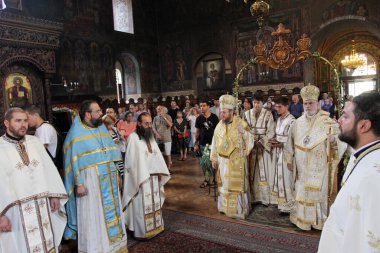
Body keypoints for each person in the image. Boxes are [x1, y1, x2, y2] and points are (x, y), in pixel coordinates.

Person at [318, 91, 380, 253]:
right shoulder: (364, 155)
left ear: (364, 126)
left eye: (345, 116)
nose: (338, 120)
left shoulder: (371, 178)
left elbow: (370, 240)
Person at [63, 100, 128, 252]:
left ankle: (115, 246)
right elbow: (72, 162)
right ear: (87, 114)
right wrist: (78, 184)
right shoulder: (75, 134)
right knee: (94, 215)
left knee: (113, 212)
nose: (101, 113)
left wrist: (117, 173)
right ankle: (96, 248)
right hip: (90, 183)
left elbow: (111, 154)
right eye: (98, 111)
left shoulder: (101, 129)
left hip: (109, 181)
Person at [0, 107, 68, 252]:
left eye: (25, 120)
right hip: (15, 212)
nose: (23, 124)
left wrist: (55, 194)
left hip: (42, 206)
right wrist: (1, 215)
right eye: (18, 121)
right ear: (7, 123)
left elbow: (49, 170)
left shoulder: (35, 142)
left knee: (47, 242)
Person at [284, 84, 346, 231]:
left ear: (317, 103)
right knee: (302, 190)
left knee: (318, 191)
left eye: (311, 103)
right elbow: (289, 143)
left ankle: (318, 221)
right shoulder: (297, 123)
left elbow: (340, 142)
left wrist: (333, 141)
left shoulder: (328, 122)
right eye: (305, 103)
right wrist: (289, 159)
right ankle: (302, 220)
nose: (307, 106)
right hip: (301, 165)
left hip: (319, 165)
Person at [122, 112, 170, 239]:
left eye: (150, 123)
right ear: (139, 123)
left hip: (154, 178)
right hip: (141, 179)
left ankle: (157, 227)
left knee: (155, 203)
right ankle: (142, 232)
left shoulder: (150, 137)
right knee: (141, 206)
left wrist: (160, 171)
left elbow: (157, 156)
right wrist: (139, 175)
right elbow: (131, 161)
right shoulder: (133, 138)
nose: (149, 126)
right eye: (146, 123)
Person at [210, 95, 254, 219]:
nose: (221, 114)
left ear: (231, 112)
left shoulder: (241, 123)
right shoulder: (219, 125)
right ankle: (224, 208)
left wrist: (244, 132)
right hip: (223, 162)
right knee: (224, 185)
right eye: (221, 112)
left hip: (236, 162)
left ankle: (239, 210)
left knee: (236, 186)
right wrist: (214, 158)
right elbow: (215, 142)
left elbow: (251, 141)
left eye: (224, 112)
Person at [245, 93, 276, 205]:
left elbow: (271, 131)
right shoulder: (247, 114)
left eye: (258, 102)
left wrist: (262, 142)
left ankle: (263, 198)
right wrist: (251, 141)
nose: (256, 105)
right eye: (254, 102)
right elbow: (245, 130)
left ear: (262, 103)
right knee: (251, 173)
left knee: (263, 173)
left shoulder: (268, 114)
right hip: (251, 147)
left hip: (263, 148)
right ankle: (252, 197)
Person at [271, 97, 295, 213]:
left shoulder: (292, 121)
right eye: (276, 107)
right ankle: (281, 204)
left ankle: (289, 205)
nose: (277, 109)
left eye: (280, 107)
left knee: (287, 179)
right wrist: (273, 141)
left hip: (287, 154)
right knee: (279, 178)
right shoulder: (279, 119)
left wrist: (281, 144)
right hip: (278, 152)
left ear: (287, 106)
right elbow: (278, 135)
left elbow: (293, 141)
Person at [194, 100, 219, 188]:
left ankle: (215, 180)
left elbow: (218, 131)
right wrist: (196, 144)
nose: (202, 107)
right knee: (205, 163)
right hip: (203, 144)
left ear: (208, 106)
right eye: (201, 106)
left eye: (204, 106)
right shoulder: (199, 118)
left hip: (214, 144)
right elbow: (197, 132)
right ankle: (207, 179)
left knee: (214, 162)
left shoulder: (214, 117)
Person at [102, 115, 125, 181]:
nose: (112, 125)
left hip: (118, 153)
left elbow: (120, 137)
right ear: (105, 124)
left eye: (113, 123)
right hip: (110, 157)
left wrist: (121, 138)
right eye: (110, 124)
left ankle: (121, 190)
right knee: (114, 175)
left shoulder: (114, 129)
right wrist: (112, 141)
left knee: (121, 173)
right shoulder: (103, 132)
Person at [152, 105, 173, 170]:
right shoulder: (155, 118)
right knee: (160, 154)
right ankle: (163, 168)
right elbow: (153, 128)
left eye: (160, 109)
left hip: (167, 139)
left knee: (167, 153)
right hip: (158, 139)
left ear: (163, 110)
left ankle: (168, 168)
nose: (159, 110)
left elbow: (170, 125)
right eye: (158, 109)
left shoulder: (168, 116)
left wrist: (164, 117)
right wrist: (157, 135)